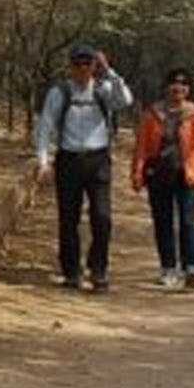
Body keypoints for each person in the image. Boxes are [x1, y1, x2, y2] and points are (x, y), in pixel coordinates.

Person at [34, 42, 134, 292]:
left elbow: (126, 101)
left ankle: (98, 270)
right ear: (70, 66)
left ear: (94, 65)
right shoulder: (60, 92)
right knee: (68, 219)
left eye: (87, 63)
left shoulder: (104, 89)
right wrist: (43, 161)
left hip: (98, 160)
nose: (82, 69)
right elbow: (45, 126)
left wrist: (109, 71)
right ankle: (71, 271)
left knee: (102, 217)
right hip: (69, 160)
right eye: (77, 64)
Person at [130, 68, 194, 290]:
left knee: (189, 222)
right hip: (158, 176)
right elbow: (141, 146)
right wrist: (137, 173)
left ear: (188, 89)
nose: (178, 87)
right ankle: (168, 268)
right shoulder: (151, 115)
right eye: (174, 82)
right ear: (166, 86)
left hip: (189, 176)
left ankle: (191, 268)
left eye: (184, 83)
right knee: (163, 223)